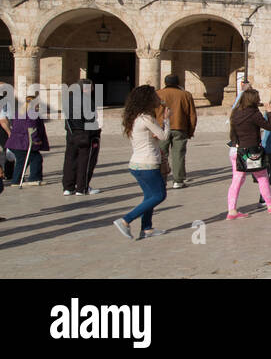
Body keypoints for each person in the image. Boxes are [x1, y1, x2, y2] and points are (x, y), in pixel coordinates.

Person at [113, 85, 168, 240]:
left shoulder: (135, 117)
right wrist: (167, 119)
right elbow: (163, 136)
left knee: (149, 197)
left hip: (136, 164)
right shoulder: (146, 118)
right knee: (159, 195)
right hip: (148, 164)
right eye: (155, 96)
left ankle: (147, 228)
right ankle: (125, 220)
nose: (158, 99)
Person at [227, 89, 271, 219]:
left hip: (236, 149)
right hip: (251, 150)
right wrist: (270, 113)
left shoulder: (235, 112)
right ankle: (270, 205)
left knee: (236, 180)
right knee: (262, 177)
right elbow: (269, 126)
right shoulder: (253, 114)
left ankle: (232, 210)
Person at [61, 79, 103, 196]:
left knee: (70, 160)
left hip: (71, 134)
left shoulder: (67, 99)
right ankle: (82, 188)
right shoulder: (88, 101)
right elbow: (91, 120)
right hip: (85, 134)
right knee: (86, 161)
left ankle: (68, 188)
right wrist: (96, 132)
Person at [157, 73, 198, 189]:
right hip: (180, 127)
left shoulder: (158, 94)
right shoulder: (186, 95)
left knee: (161, 155)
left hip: (161, 128)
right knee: (178, 155)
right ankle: (178, 180)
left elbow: (152, 113)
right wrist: (191, 130)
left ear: (165, 83)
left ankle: (161, 180)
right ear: (178, 83)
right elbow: (192, 115)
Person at [7, 91, 49, 185]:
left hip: (15, 142)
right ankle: (34, 179)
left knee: (22, 161)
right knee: (36, 158)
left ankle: (16, 180)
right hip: (24, 143)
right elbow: (31, 128)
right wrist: (36, 140)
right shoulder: (31, 114)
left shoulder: (19, 112)